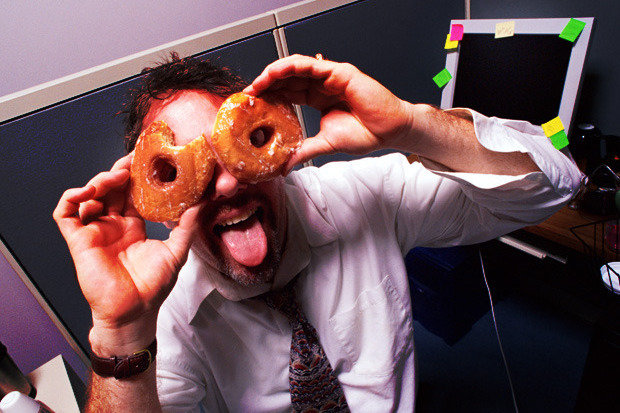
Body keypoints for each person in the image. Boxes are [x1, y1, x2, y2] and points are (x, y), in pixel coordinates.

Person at [53, 53, 582, 412]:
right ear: (160, 206)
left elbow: (553, 187)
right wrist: (122, 331)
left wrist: (411, 125)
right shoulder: (163, 315)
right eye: (190, 172)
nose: (229, 184)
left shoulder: (359, 196)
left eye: (238, 151)